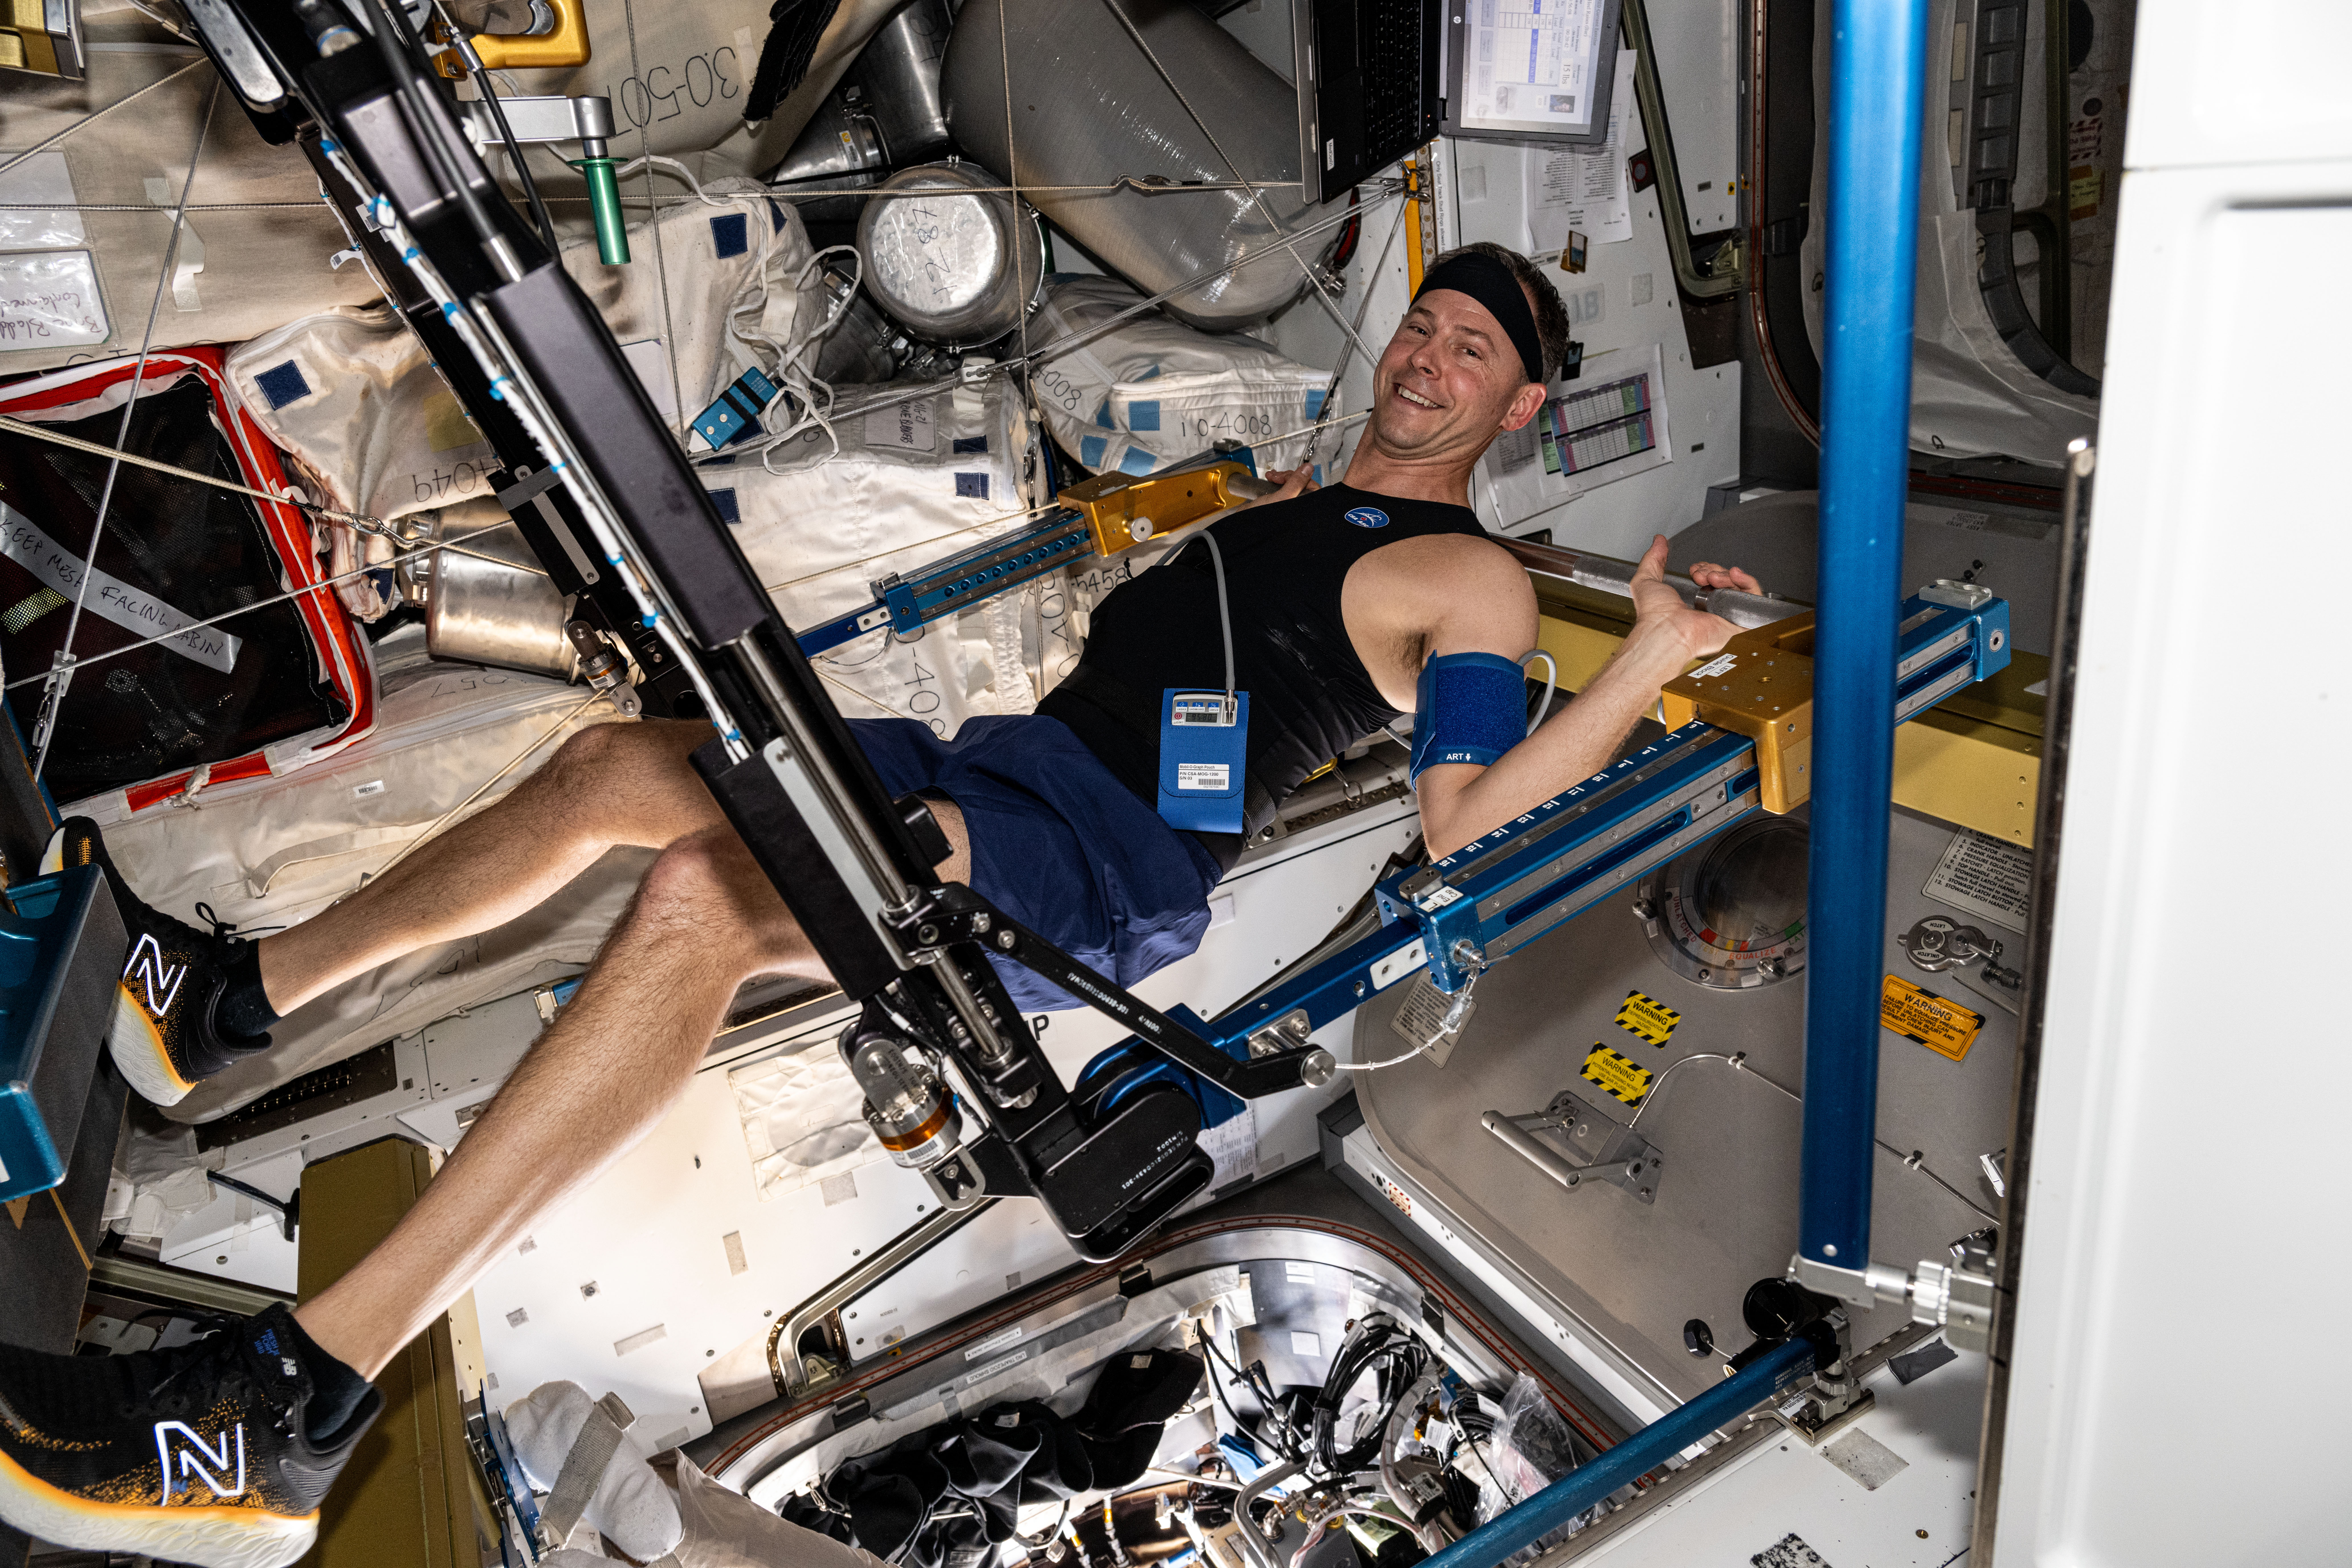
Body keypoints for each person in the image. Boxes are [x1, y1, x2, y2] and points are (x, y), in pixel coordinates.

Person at [0, 241, 1759, 1566]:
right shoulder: (1333, 488)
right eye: (1428, 324)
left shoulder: (1478, 581)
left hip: (1100, 862)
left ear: (1526, 407)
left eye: (1477, 354)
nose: (1431, 359)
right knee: (634, 766)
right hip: (1020, 762)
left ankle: (282, 1414)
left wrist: (1661, 654)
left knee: (702, 893)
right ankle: (228, 998)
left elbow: (1460, 817)